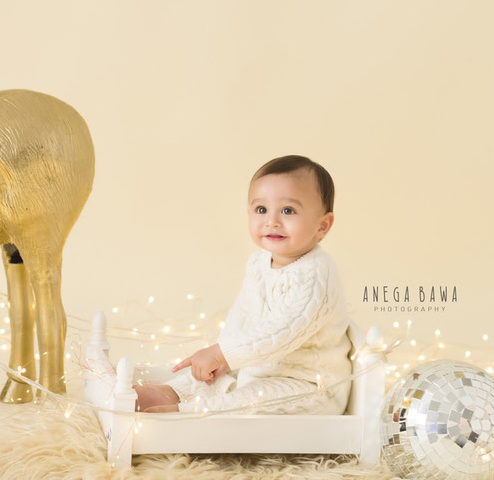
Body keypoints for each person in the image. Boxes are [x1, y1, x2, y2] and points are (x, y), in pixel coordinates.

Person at [134, 155, 353, 415]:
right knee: (213, 378)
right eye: (261, 210)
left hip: (308, 385)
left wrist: (224, 353)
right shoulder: (259, 262)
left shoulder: (316, 273)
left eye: (288, 210)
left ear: (322, 225)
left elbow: (283, 331)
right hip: (258, 367)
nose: (272, 221)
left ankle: (187, 415)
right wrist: (223, 355)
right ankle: (172, 392)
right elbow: (243, 314)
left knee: (252, 400)